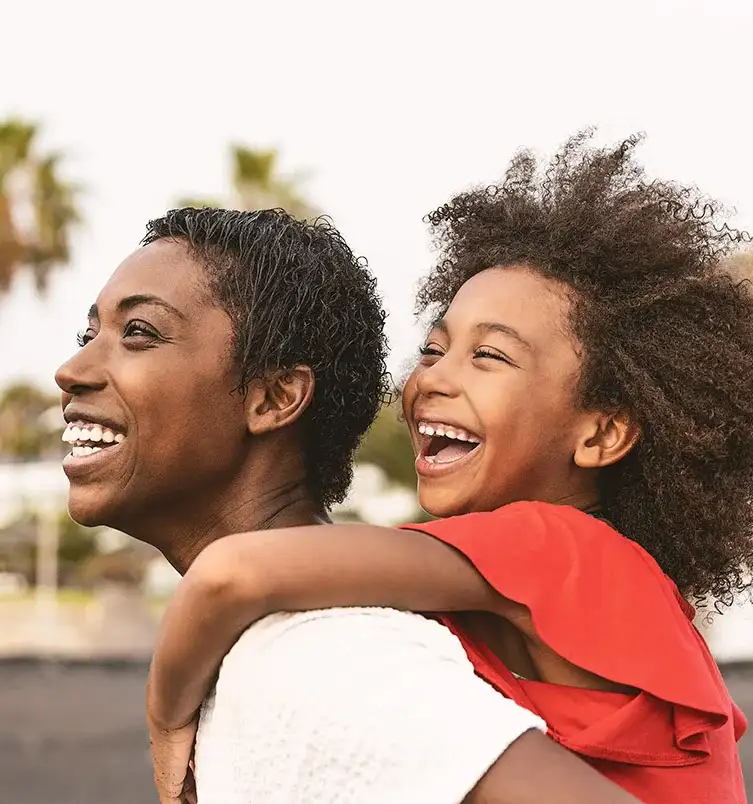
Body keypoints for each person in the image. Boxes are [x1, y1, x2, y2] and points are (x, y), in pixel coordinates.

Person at [146, 135, 753, 803]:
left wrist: (166, 721)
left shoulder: (553, 546)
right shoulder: (584, 571)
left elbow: (231, 575)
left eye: (489, 357)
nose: (433, 377)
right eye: (434, 349)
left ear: (603, 432)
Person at [56, 207, 640, 804]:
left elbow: (230, 576)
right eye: (89, 334)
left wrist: (164, 713)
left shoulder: (339, 664)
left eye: (139, 333)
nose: (70, 370)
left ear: (274, 397)